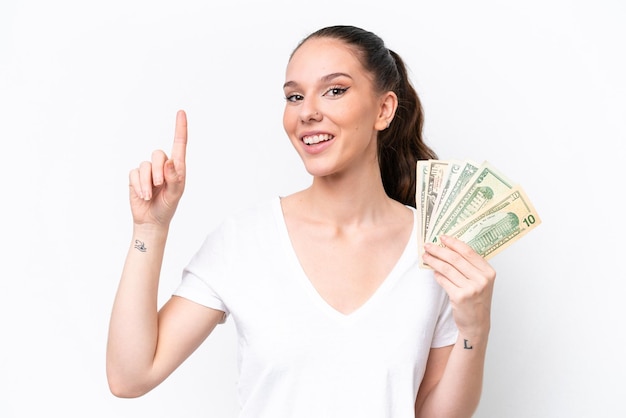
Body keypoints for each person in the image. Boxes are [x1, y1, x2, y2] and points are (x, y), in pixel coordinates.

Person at [106, 25, 496, 418]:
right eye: (295, 96)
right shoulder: (244, 241)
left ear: (384, 109)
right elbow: (130, 376)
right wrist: (149, 230)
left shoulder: (437, 252)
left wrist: (473, 329)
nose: (307, 111)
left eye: (335, 90)